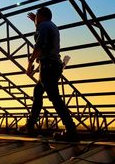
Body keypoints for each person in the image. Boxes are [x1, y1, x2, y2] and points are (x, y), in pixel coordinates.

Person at [21, 7, 78, 141]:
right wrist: (35, 22)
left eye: (36, 16)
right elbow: (44, 38)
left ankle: (71, 130)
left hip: (48, 66)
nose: (35, 19)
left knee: (54, 97)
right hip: (53, 66)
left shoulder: (44, 26)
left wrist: (30, 63)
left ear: (41, 16)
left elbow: (39, 45)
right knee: (38, 92)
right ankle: (30, 125)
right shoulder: (50, 26)